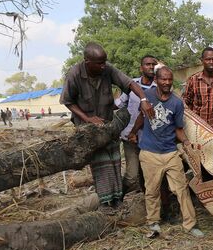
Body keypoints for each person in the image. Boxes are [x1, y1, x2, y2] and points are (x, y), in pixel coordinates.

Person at [60, 42, 155, 207]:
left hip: (109, 125)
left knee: (115, 162)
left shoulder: (108, 69)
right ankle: (105, 203)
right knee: (101, 166)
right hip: (88, 130)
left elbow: (130, 83)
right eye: (100, 63)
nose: (104, 66)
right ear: (88, 62)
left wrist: (144, 99)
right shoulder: (74, 74)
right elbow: (67, 102)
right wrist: (88, 118)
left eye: (105, 62)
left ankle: (118, 200)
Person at [128, 67, 203, 237]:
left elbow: (178, 129)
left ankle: (190, 225)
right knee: (152, 190)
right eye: (163, 79)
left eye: (170, 80)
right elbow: (142, 116)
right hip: (149, 153)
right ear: (156, 79)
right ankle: (153, 223)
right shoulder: (147, 96)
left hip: (170, 153)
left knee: (182, 189)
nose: (167, 83)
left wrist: (185, 142)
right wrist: (133, 132)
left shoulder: (176, 103)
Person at [117, 54, 157, 193]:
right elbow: (119, 104)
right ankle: (118, 195)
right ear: (141, 68)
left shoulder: (160, 87)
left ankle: (147, 201)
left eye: (153, 64)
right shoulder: (131, 85)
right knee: (132, 176)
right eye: (148, 64)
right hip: (130, 138)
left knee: (147, 174)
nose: (151, 67)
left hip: (149, 139)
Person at [182, 47, 213, 131]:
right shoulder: (193, 80)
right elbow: (185, 104)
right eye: (208, 59)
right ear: (202, 60)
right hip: (196, 130)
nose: (211, 62)